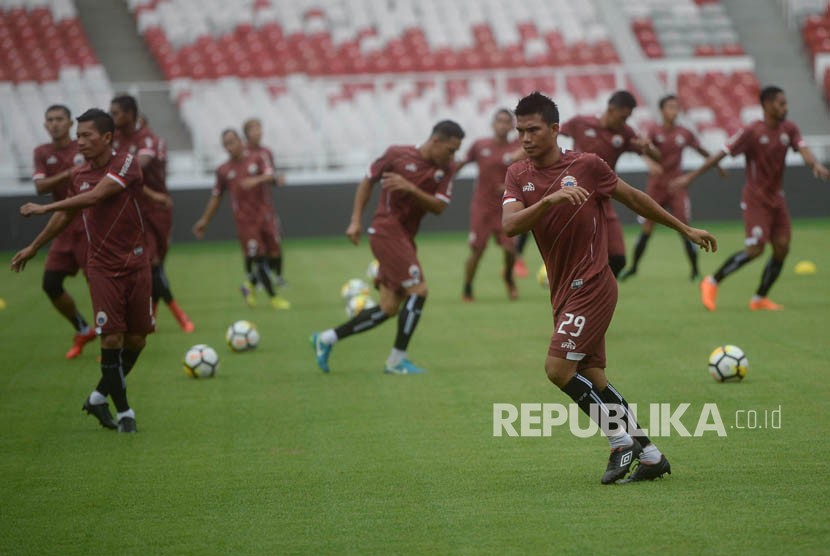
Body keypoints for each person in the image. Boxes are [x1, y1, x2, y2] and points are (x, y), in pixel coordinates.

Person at [502, 92, 716, 483]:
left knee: (556, 369)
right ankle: (650, 456)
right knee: (594, 377)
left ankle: (620, 442)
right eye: (520, 131)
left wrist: (684, 229)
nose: (525, 138)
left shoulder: (586, 166)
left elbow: (634, 198)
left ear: (554, 128)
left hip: (594, 283)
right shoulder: (518, 174)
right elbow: (510, 225)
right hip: (563, 289)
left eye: (533, 130)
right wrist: (550, 202)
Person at [12, 108, 153, 433]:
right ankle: (126, 413)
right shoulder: (78, 176)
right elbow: (68, 215)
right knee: (112, 338)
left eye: (87, 135)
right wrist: (34, 246)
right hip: (102, 267)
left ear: (106, 137)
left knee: (137, 340)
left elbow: (98, 195)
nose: (80, 142)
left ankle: (97, 397)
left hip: (136, 263)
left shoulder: (125, 164)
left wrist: (46, 205)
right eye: (78, 137)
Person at [310, 120, 464, 375]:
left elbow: (439, 207)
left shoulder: (445, 168)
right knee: (419, 290)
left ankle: (326, 339)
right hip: (386, 230)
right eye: (451, 149)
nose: (453, 156)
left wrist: (410, 188)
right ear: (436, 140)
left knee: (389, 307)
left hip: (405, 236)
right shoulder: (397, 155)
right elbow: (368, 179)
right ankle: (396, 361)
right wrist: (356, 220)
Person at [671, 85, 829, 311]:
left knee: (782, 248)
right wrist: (691, 177)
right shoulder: (752, 132)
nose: (785, 108)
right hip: (756, 198)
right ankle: (711, 282)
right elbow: (721, 154)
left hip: (777, 198)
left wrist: (815, 164)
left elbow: (802, 149)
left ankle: (759, 299)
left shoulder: (789, 129)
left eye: (785, 103)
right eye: (780, 103)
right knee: (756, 250)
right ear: (766, 105)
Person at [110, 94, 194, 332]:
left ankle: (151, 316)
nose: (112, 117)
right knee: (151, 265)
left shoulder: (150, 139)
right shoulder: (113, 140)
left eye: (115, 112)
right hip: (132, 211)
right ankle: (180, 316)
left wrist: (149, 194)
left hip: (157, 210)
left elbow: (135, 170)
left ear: (129, 114)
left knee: (155, 267)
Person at [619, 94, 725, 281]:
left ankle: (695, 270)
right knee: (647, 229)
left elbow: (702, 151)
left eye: (676, 107)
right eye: (670, 107)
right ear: (662, 111)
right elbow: (641, 148)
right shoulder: (653, 130)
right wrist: (649, 162)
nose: (674, 111)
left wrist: (717, 164)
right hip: (656, 186)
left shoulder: (684, 133)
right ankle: (634, 267)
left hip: (676, 187)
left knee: (685, 228)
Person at [559, 90, 661, 277]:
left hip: (603, 199)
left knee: (618, 259)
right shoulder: (580, 122)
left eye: (628, 118)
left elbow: (656, 156)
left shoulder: (625, 132)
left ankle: (593, 290)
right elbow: (552, 135)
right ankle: (577, 288)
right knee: (580, 253)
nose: (625, 122)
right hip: (576, 198)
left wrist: (649, 149)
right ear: (612, 109)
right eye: (623, 117)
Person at [192, 129, 291, 310]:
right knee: (259, 258)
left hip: (266, 216)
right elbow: (216, 197)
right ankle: (274, 298)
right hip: (246, 222)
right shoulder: (223, 170)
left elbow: (270, 175)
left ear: (240, 141)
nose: (230, 147)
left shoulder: (258, 157)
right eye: (226, 144)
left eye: (232, 142)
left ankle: (249, 285)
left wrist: (256, 180)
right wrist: (204, 220)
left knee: (274, 254)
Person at [32, 104, 96, 359]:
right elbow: (40, 187)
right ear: (45, 125)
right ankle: (83, 328)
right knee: (50, 283)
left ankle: (110, 340)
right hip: (62, 227)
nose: (55, 123)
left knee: (98, 285)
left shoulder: (83, 147)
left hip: (88, 226)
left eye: (60, 119)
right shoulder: (42, 152)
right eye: (50, 119)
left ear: (71, 124)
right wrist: (69, 173)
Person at [455, 108, 522, 301]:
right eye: (499, 121)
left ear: (512, 126)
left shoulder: (518, 148)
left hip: (507, 206)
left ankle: (509, 277)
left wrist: (511, 186)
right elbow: (460, 163)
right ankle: (467, 287)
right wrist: (445, 178)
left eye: (506, 121)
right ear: (493, 124)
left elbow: (527, 171)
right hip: (482, 206)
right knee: (477, 250)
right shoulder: (480, 145)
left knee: (510, 250)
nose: (502, 124)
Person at [242, 117, 287, 287]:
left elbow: (270, 176)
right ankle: (255, 279)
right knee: (254, 248)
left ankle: (277, 277)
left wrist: (275, 180)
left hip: (265, 208)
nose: (258, 132)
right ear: (246, 134)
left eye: (259, 129)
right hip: (247, 211)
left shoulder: (266, 152)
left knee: (274, 243)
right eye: (254, 129)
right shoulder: (242, 154)